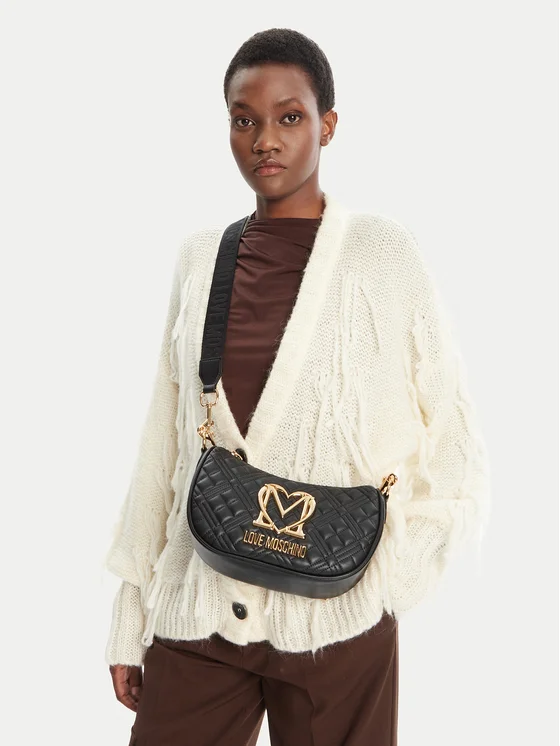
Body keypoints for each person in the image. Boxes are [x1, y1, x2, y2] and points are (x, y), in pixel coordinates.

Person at [105, 27, 491, 746]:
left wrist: (390, 580)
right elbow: (164, 441)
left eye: (289, 117)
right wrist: (132, 615)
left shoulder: (383, 253)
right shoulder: (200, 258)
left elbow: (452, 434)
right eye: (243, 119)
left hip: (338, 620)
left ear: (327, 125)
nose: (265, 140)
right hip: (203, 604)